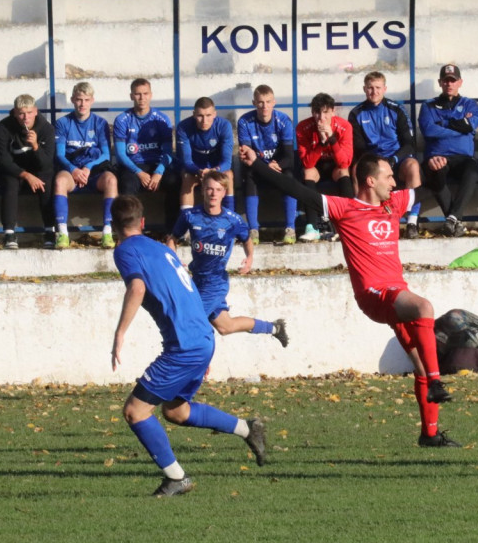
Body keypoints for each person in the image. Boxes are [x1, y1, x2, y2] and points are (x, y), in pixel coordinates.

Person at [243, 147, 458, 447]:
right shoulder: (344, 208)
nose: (395, 183)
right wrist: (258, 166)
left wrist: (439, 168)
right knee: (424, 307)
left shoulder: (392, 204)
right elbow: (294, 188)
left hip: (396, 294)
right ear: (370, 181)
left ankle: (430, 434)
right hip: (374, 295)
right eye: (389, 177)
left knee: (419, 364)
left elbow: (436, 187)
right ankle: (436, 382)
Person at [110, 194, 268, 497]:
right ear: (142, 223)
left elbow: (137, 287)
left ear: (114, 225)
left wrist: (119, 335)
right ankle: (248, 429)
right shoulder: (161, 249)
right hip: (200, 339)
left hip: (184, 346)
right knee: (176, 411)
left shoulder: (125, 250)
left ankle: (176, 478)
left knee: (135, 411)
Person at [166, 171, 289, 347]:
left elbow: (247, 240)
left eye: (218, 189)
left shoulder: (233, 221)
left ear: (224, 192)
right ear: (203, 190)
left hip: (216, 282)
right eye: (209, 189)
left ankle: (201, 365)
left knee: (192, 322)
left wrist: (250, 257)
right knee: (226, 326)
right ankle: (275, 328)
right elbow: (172, 238)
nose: (213, 193)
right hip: (196, 279)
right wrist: (174, 260)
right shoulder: (190, 216)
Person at [348, 72, 424, 238]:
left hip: (396, 159)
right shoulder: (356, 113)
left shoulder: (396, 109)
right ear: (364, 89)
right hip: (373, 161)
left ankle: (412, 222)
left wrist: (393, 159)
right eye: (370, 88)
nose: (373, 92)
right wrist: (378, 163)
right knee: (355, 170)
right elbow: (359, 147)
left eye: (377, 88)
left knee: (413, 165)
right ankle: (363, 218)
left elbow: (409, 143)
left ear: (384, 89)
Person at [417, 64, 478, 238]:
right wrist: (458, 127)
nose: (449, 84)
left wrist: (443, 124)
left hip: (463, 158)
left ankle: (452, 218)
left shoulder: (470, 104)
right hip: (437, 157)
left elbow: (470, 125)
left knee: (472, 168)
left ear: (460, 82)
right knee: (434, 170)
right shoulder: (428, 106)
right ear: (440, 82)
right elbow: (429, 130)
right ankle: (455, 221)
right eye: (445, 81)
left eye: (453, 81)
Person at [52, 82, 118, 249]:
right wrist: (74, 170)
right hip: (71, 171)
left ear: (92, 101)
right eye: (79, 99)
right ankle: (62, 233)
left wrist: (88, 167)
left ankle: (108, 232)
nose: (82, 104)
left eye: (86, 100)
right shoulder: (62, 123)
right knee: (59, 181)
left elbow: (105, 154)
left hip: (93, 172)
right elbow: (60, 154)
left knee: (111, 180)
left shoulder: (100, 123)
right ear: (73, 100)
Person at [112, 78, 181, 233]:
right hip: (134, 166)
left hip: (157, 165)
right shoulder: (122, 120)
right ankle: (130, 232)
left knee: (174, 181)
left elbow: (168, 152)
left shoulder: (161, 119)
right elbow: (121, 155)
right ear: (131, 96)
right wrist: (138, 172)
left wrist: (159, 172)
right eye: (137, 94)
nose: (141, 98)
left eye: (145, 94)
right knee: (127, 185)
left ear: (151, 95)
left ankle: (172, 232)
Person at [237, 85, 297, 245]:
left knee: (290, 176)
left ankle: (290, 228)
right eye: (260, 102)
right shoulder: (245, 121)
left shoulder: (283, 120)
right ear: (254, 103)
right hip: (256, 167)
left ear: (274, 102)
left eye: (268, 101)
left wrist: (275, 165)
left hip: (278, 166)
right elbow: (246, 156)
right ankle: (253, 230)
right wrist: (264, 167)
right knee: (249, 176)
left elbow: (289, 156)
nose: (264, 106)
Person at [0, 94, 55, 249]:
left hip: (38, 170)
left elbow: (47, 163)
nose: (25, 117)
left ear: (35, 111)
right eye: (21, 113)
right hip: (15, 171)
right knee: (10, 182)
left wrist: (35, 146)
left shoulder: (46, 128)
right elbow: (3, 160)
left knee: (46, 180)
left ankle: (50, 230)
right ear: (15, 113)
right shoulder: (3, 127)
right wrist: (26, 175)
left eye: (28, 113)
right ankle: (9, 233)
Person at [295, 92, 353, 242]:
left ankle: (348, 225)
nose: (321, 118)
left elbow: (344, 162)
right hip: (316, 165)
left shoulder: (344, 126)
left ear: (333, 111)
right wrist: (321, 144)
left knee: (343, 171)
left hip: (335, 165)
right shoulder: (303, 127)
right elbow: (307, 163)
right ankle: (312, 227)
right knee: (308, 172)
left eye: (326, 112)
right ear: (312, 112)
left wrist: (332, 139)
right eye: (317, 112)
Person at [176, 97, 235, 217]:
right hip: (196, 170)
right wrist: (198, 171)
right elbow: (186, 161)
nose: (204, 120)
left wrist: (214, 171)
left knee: (228, 175)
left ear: (214, 114)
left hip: (216, 169)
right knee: (187, 177)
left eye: (208, 115)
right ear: (194, 114)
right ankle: (185, 225)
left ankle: (230, 221)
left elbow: (227, 162)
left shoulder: (224, 126)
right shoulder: (184, 127)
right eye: (200, 116)